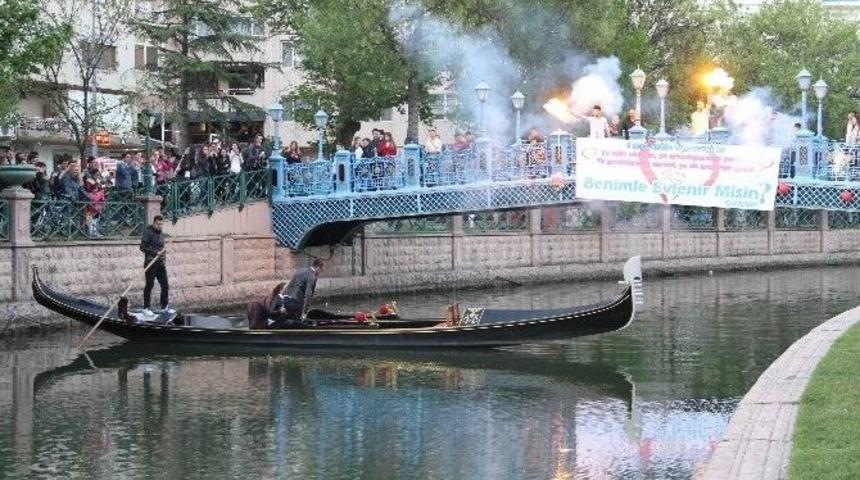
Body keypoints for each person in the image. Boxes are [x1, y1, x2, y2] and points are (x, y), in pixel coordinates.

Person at [140, 215, 173, 316]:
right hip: (150, 263)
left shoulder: (161, 234)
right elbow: (142, 247)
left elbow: (162, 247)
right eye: (158, 224)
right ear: (154, 223)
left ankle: (164, 306)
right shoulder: (148, 233)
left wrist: (163, 256)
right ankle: (146, 308)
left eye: (161, 224)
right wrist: (155, 253)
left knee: (165, 285)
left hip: (160, 263)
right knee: (149, 285)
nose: (160, 226)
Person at [276, 258, 325, 326]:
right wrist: (305, 312)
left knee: (285, 320)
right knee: (297, 323)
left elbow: (292, 284)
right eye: (323, 267)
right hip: (295, 302)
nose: (323, 269)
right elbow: (308, 295)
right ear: (318, 267)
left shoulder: (301, 270)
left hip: (285, 298)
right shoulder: (312, 276)